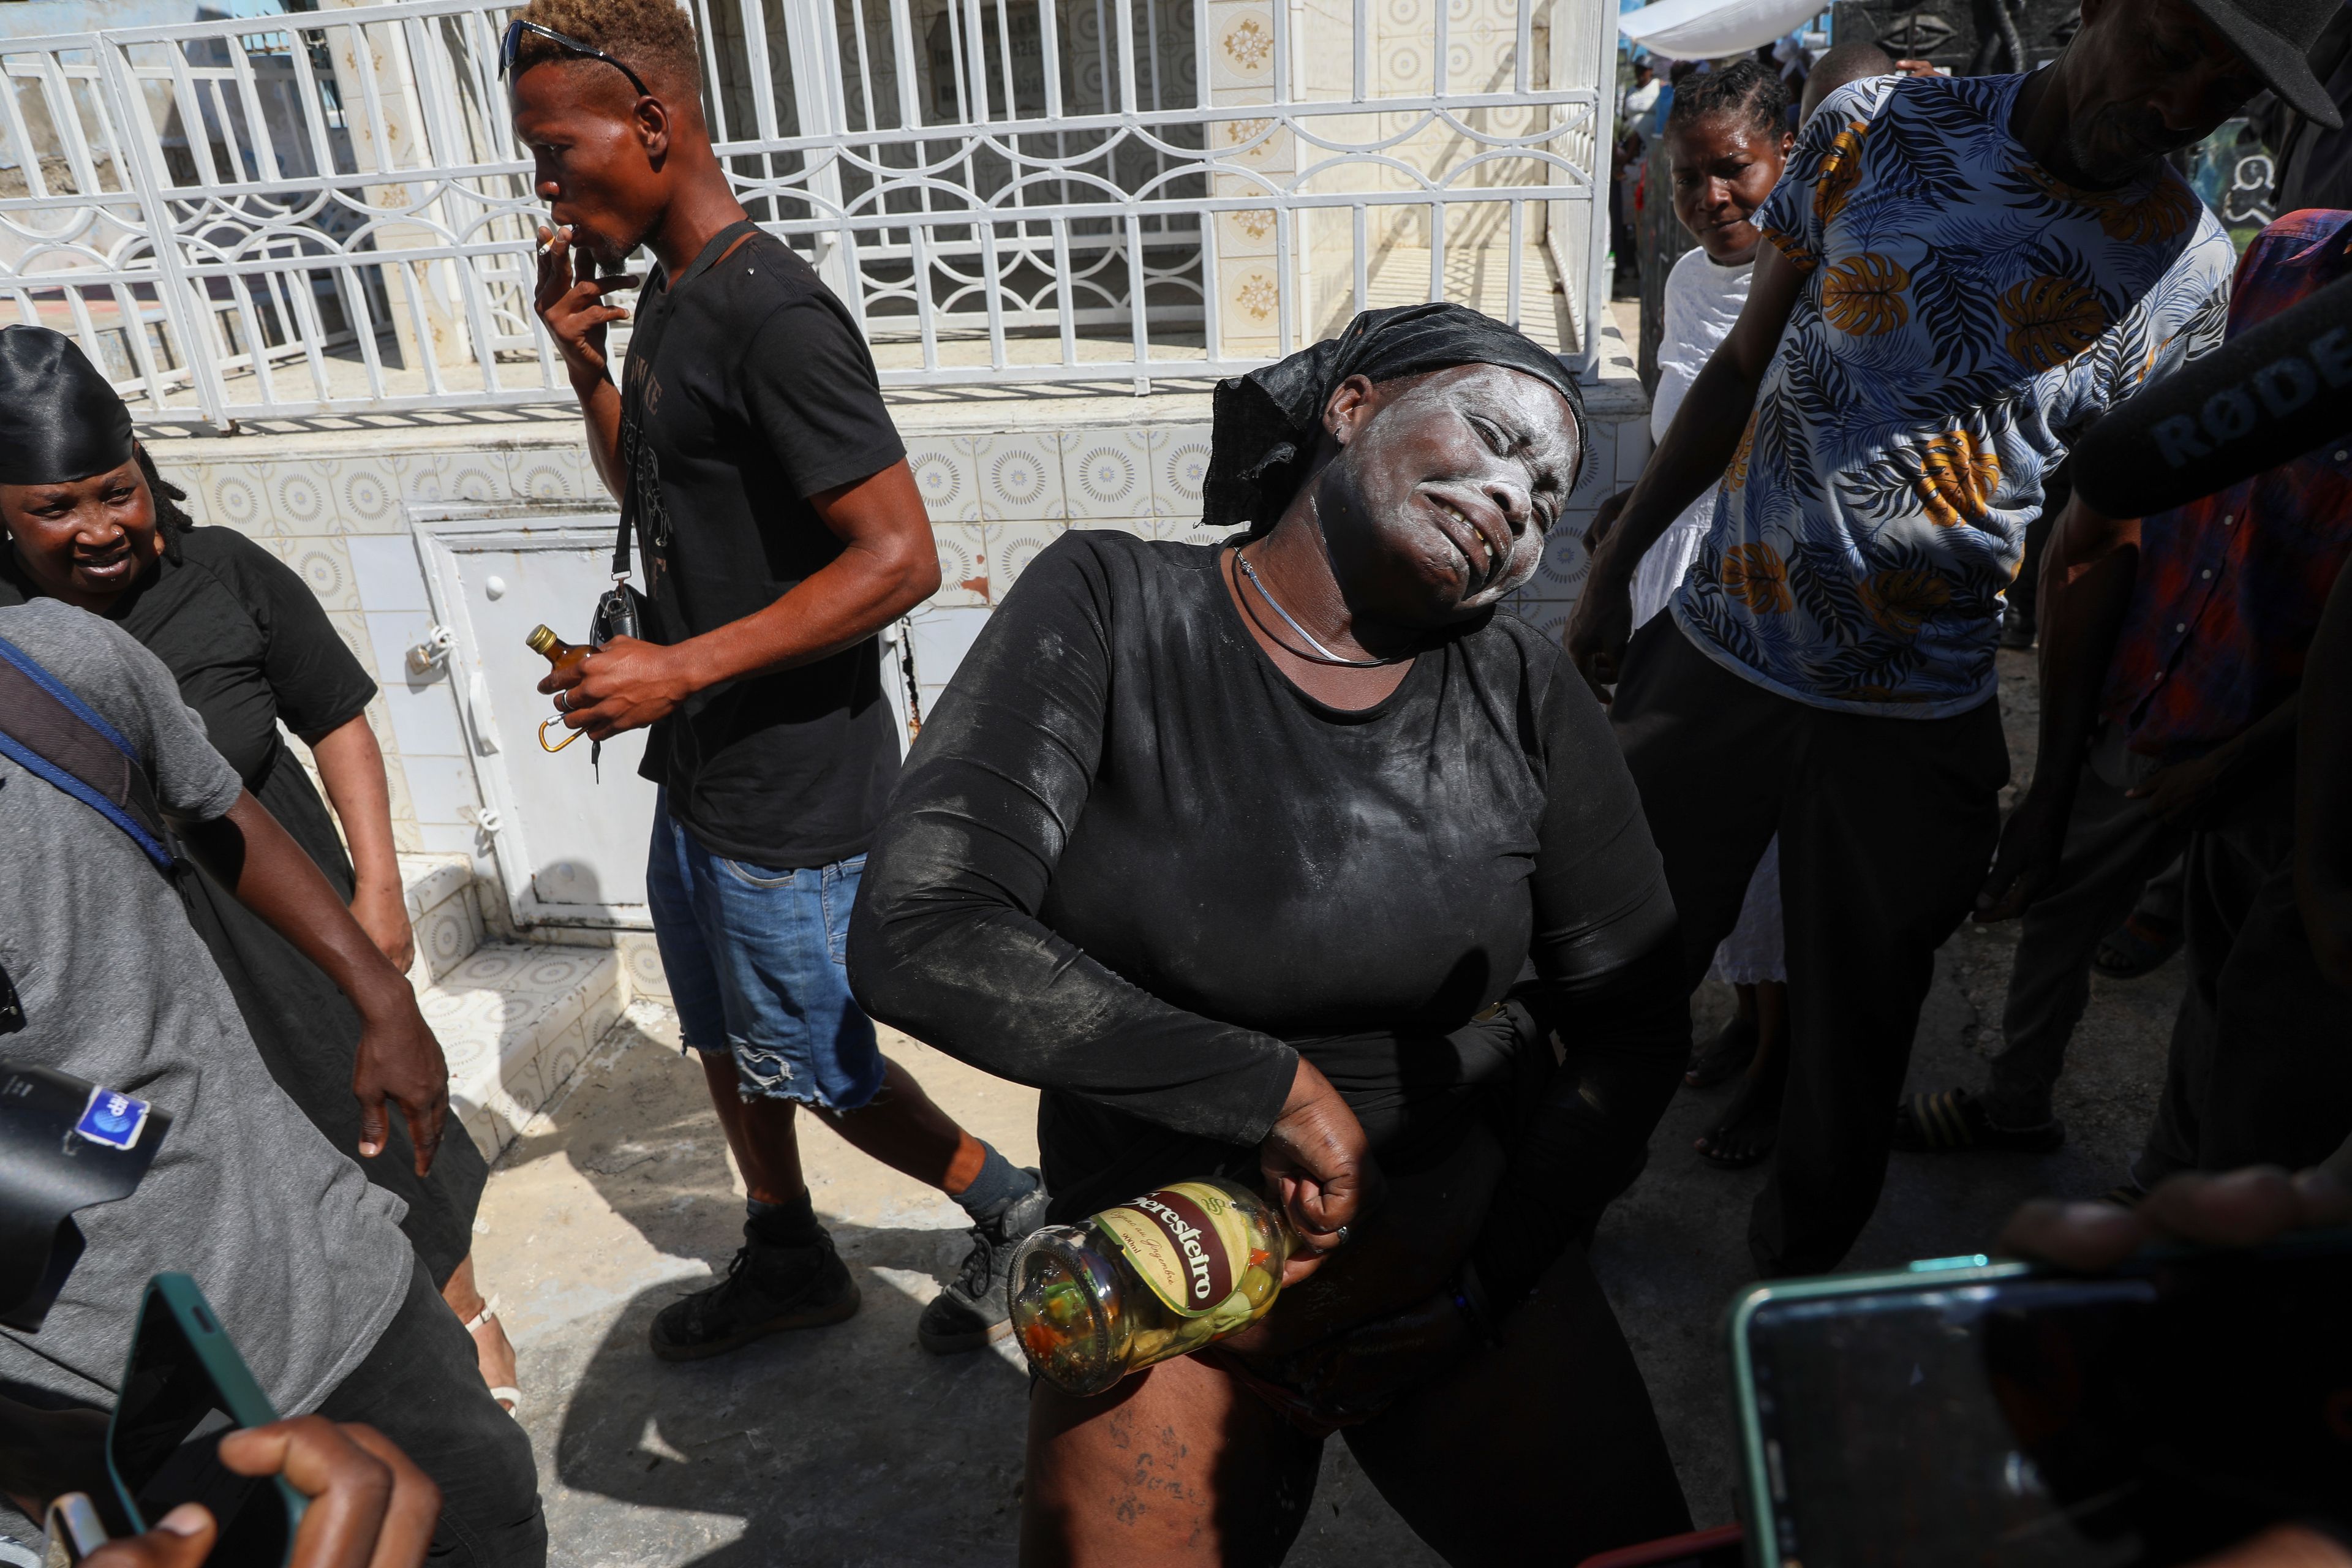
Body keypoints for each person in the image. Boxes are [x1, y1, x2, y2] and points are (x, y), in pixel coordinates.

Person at [850, 303, 1695, 1566]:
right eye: (1493, 434)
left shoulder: (1523, 691)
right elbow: (923, 922)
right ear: (1352, 406)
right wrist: (1271, 1089)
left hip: (1449, 1274)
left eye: (1549, 493)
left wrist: (1486, 1284)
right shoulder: (1112, 608)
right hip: (1163, 1285)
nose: (1517, 498)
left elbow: (1636, 1027)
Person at [1564, 0, 2337, 1276]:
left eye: (2223, 89)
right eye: (2166, 44)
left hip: (1916, 718)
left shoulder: (2188, 265)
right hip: (1719, 657)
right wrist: (1617, 559)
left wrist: (2052, 787)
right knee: (1612, 975)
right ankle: (1543, 1232)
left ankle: (1802, 1308)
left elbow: (2100, 535)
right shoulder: (1878, 125)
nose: (2180, 99)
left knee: (1855, 1050)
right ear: (2092, 11)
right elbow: (1746, 360)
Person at [509, 0, 1047, 1359]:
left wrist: (678, 664)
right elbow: (657, 488)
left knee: (812, 1056)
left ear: (652, 122)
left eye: (557, 147)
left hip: (794, 784)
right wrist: (584, 365)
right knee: (718, 1030)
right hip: (702, 763)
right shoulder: (669, 297)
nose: (545, 183)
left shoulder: (775, 313)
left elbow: (901, 557)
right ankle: (787, 1246)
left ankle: (1018, 1206)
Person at [0, 327, 516, 1414]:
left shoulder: (224, 572)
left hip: (288, 931)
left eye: (118, 491)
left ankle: (462, 1313)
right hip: (144, 968)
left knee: (375, 1126)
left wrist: (377, 890)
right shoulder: (19, 646)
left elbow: (340, 723)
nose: (101, 530)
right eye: (58, 509)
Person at [0, 597, 544, 1566]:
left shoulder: (52, 668)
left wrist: (381, 994)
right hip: (91, 1409)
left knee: (489, 1516)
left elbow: (220, 806)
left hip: (329, 1272)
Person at [1971, 206, 2352, 1189]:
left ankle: (2168, 1187)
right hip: (2158, 694)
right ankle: (2013, 1105)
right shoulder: (2285, 255)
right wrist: (2058, 766)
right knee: (2057, 911)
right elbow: (2116, 513)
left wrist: (2232, 767)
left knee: (2243, 1002)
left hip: (2285, 756)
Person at [1585, 61, 1795, 1165]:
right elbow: (1686, 425)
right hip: (1679, 575)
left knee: (1765, 842)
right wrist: (1630, 515)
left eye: (1734, 171)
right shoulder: (1681, 283)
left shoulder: (1825, 289)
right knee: (1696, 835)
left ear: (1788, 162)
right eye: (1687, 178)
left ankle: (1780, 1060)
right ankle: (1740, 1019)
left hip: (1765, 588)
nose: (1713, 197)